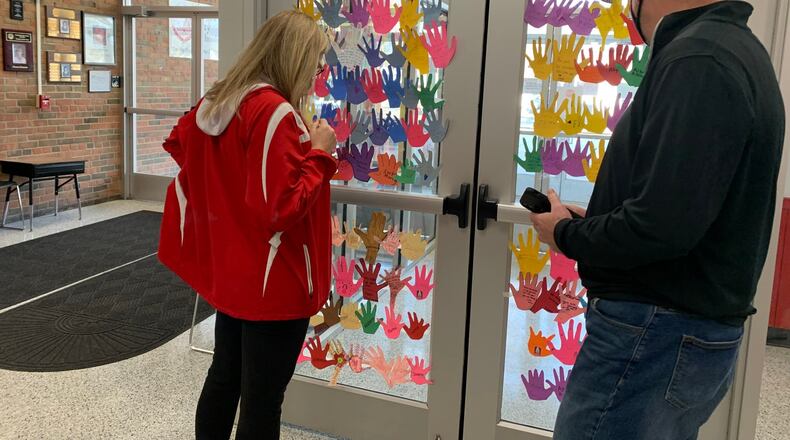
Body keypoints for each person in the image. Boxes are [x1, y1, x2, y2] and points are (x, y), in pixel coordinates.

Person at [529, 1, 785, 439]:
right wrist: (599, 220)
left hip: (653, 333)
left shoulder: (699, 59)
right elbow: (680, 207)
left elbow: (661, 227)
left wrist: (567, 234)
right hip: (677, 329)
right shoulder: (733, 50)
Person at [157, 11, 337, 440]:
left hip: (235, 275)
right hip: (276, 281)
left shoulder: (218, 101)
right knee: (262, 399)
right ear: (294, 58)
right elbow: (283, 208)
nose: (318, 73)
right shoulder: (277, 113)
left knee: (225, 378)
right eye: (316, 62)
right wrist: (320, 153)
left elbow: (180, 143)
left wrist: (229, 191)